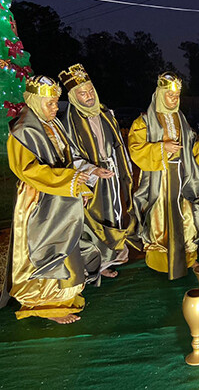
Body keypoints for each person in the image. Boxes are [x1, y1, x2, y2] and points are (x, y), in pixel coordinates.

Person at [1, 76, 112, 323]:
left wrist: (83, 182)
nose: (55, 108)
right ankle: (41, 304)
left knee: (66, 245)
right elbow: (27, 170)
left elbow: (68, 160)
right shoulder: (22, 131)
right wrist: (71, 181)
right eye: (50, 103)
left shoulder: (54, 125)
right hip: (37, 200)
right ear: (35, 101)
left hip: (62, 196)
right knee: (44, 248)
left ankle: (61, 299)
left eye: (55, 103)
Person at [128, 72, 199, 280]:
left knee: (186, 218)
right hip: (160, 180)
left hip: (182, 177)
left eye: (177, 95)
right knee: (160, 221)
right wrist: (161, 148)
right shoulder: (144, 121)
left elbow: (189, 151)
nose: (175, 99)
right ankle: (161, 261)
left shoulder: (180, 119)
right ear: (159, 95)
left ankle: (188, 256)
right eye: (170, 95)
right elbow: (136, 150)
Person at [59, 63, 134, 278]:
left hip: (110, 176)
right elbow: (69, 155)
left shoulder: (105, 113)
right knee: (92, 222)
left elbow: (118, 143)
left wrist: (122, 169)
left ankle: (106, 262)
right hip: (90, 181)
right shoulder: (69, 122)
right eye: (83, 93)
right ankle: (90, 266)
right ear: (74, 97)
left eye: (90, 91)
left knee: (112, 218)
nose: (89, 96)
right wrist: (92, 170)